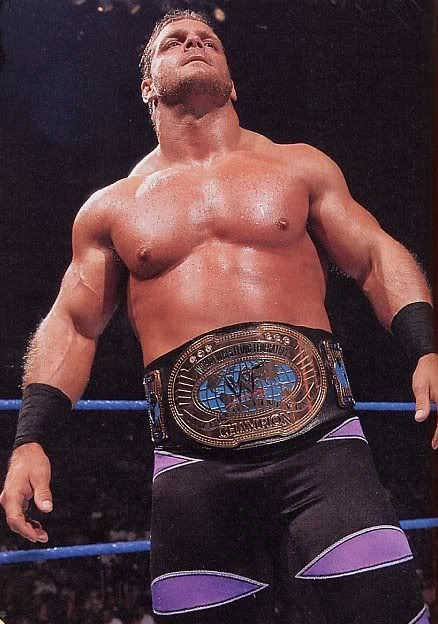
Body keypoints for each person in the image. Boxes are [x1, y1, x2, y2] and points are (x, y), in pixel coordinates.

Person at [1, 9, 437, 624]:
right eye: (173, 41)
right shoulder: (111, 209)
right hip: (193, 474)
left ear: (231, 82)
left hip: (323, 450)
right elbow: (73, 324)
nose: (193, 41)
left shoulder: (298, 166)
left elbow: (374, 255)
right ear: (148, 85)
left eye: (208, 38)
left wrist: (424, 346)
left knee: (385, 611)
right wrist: (31, 438)